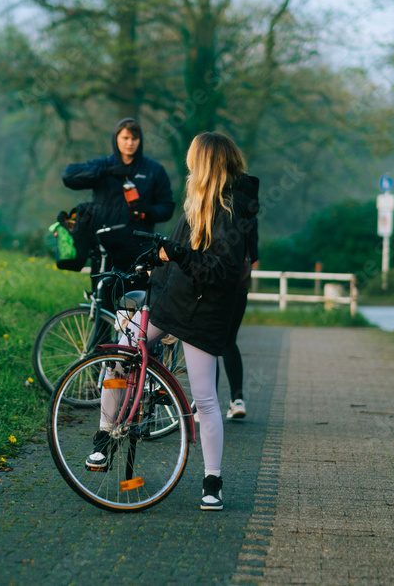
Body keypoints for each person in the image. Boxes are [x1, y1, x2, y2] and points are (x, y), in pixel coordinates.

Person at [87, 131, 257, 512]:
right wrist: (151, 266)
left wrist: (177, 254)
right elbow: (176, 258)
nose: (188, 163)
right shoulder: (195, 202)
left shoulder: (232, 211)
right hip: (171, 302)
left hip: (204, 314)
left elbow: (222, 271)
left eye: (193, 157)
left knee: (205, 399)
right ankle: (103, 438)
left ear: (206, 161)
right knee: (122, 352)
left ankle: (211, 482)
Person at [62, 118, 175, 304]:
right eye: (125, 138)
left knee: (132, 307)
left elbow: (167, 207)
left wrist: (146, 210)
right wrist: (105, 173)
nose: (130, 143)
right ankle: (101, 335)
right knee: (102, 306)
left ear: (140, 141)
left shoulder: (154, 170)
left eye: (134, 138)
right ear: (116, 139)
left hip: (138, 250)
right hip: (105, 250)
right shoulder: (103, 165)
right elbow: (68, 176)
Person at [221, 178, 260, 420]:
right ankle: (237, 399)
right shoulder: (250, 217)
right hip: (239, 287)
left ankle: (203, 404)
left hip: (215, 284)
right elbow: (254, 254)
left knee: (206, 344)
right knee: (228, 342)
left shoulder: (219, 210)